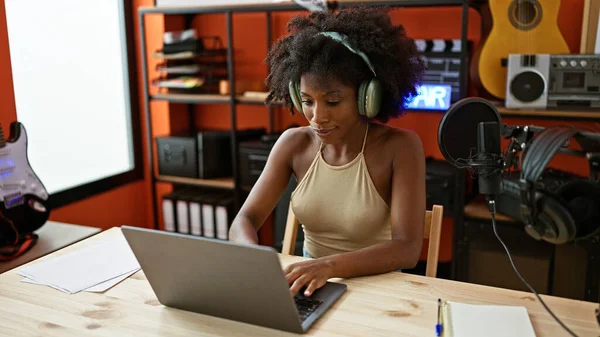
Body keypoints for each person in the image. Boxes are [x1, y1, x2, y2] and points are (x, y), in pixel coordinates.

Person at [229, 6, 427, 298]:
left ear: (366, 98)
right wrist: (254, 258)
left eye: (333, 102)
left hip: (379, 290)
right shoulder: (293, 145)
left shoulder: (401, 148)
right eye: (307, 101)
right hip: (310, 287)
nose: (316, 116)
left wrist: (326, 267)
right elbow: (244, 220)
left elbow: (407, 248)